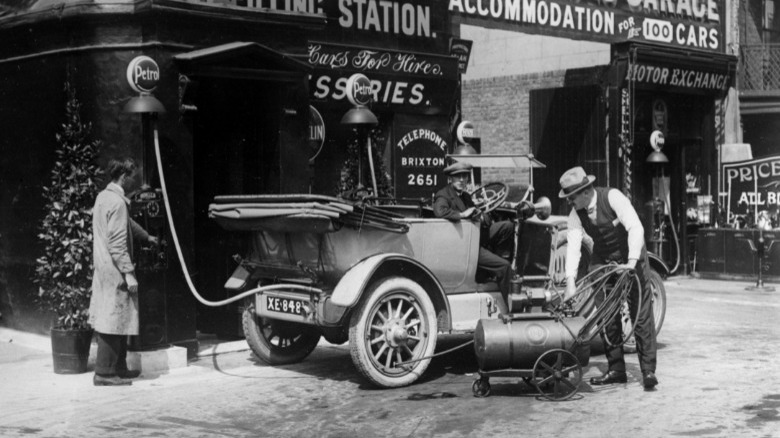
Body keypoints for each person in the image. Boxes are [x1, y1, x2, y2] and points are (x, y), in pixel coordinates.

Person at [560, 166, 658, 390]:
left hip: (631, 256)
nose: (569, 202)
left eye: (571, 197)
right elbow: (574, 247)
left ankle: (648, 371)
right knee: (606, 314)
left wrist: (631, 264)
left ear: (585, 192)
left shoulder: (613, 197)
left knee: (640, 315)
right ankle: (616, 370)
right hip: (603, 259)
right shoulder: (576, 214)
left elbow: (635, 227)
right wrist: (570, 282)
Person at [89, 158, 158, 386]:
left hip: (103, 268)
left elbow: (125, 223)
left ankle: (119, 367)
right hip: (115, 269)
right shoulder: (118, 203)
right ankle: (104, 374)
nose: (134, 183)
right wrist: (128, 273)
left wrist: (146, 236)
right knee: (113, 318)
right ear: (124, 177)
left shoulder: (103, 197)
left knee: (118, 317)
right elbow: (117, 243)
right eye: (132, 178)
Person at [433, 161, 514, 304]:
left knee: (507, 226)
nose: (462, 180)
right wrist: (463, 215)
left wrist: (482, 216)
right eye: (458, 177)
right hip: (466, 246)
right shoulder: (443, 195)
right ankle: (511, 303)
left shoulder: (466, 196)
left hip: (476, 235)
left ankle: (496, 272)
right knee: (504, 267)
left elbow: (480, 215)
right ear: (450, 179)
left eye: (464, 176)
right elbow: (440, 211)